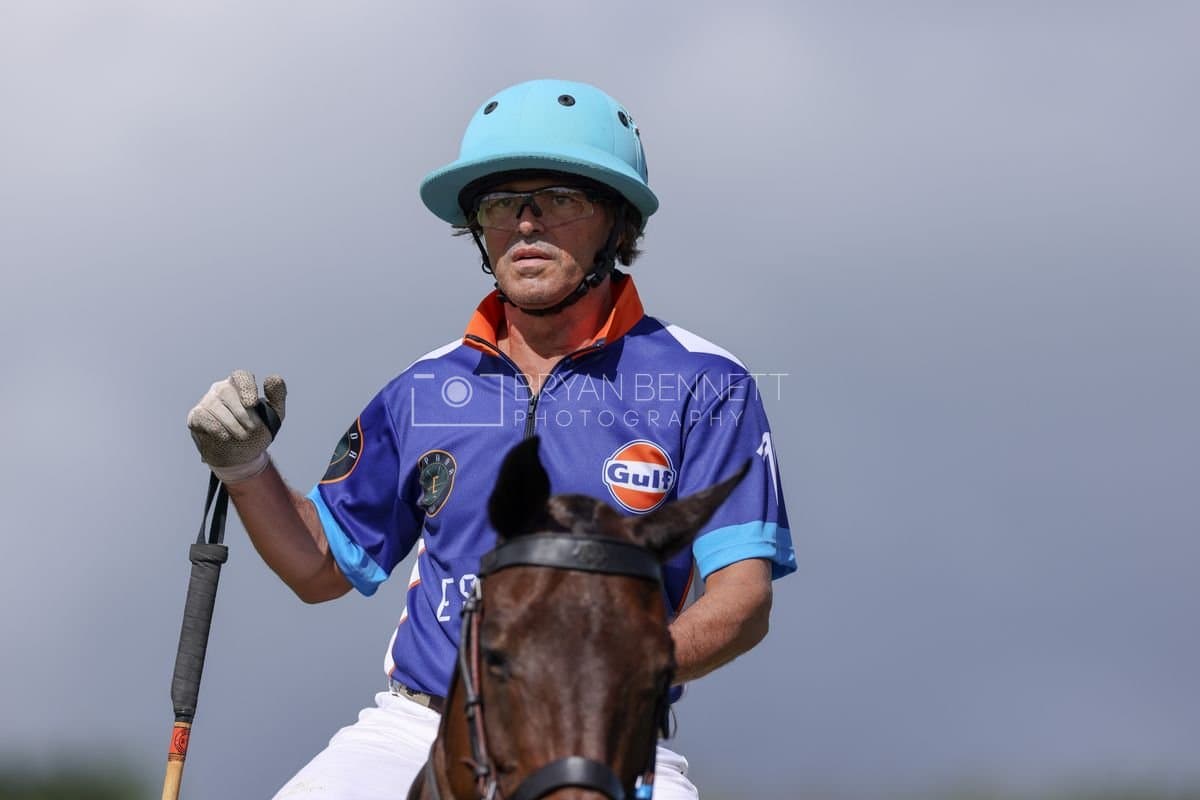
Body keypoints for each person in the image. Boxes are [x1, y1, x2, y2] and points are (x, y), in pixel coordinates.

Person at [187, 78, 795, 800]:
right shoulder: (421, 389)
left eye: (559, 200)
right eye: (502, 205)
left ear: (616, 222)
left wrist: (625, 663)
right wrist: (247, 467)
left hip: (606, 734)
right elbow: (321, 567)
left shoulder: (705, 382)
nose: (526, 226)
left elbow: (742, 596)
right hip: (422, 727)